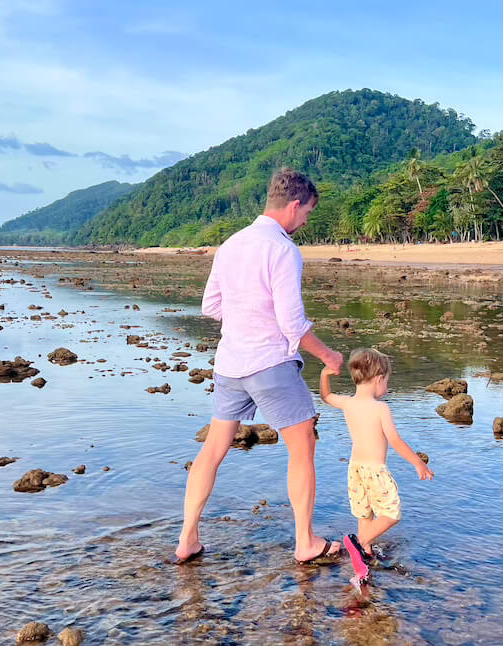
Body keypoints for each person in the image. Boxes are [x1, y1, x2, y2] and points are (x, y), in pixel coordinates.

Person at [175, 168, 345, 565]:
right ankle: (305, 542)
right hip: (270, 363)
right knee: (303, 447)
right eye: (308, 213)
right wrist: (329, 356)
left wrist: (245, 320)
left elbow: (210, 306)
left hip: (230, 363)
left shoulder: (231, 244)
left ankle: (187, 538)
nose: (306, 222)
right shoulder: (283, 249)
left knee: (212, 450)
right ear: (295, 204)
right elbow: (292, 324)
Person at [319, 348, 434, 583]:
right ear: (379, 378)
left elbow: (326, 396)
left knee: (365, 513)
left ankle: (365, 554)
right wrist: (418, 462)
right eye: (387, 382)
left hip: (355, 468)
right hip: (375, 469)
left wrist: (324, 375)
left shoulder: (348, 403)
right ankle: (359, 543)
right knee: (392, 513)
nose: (387, 388)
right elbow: (395, 440)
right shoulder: (381, 409)